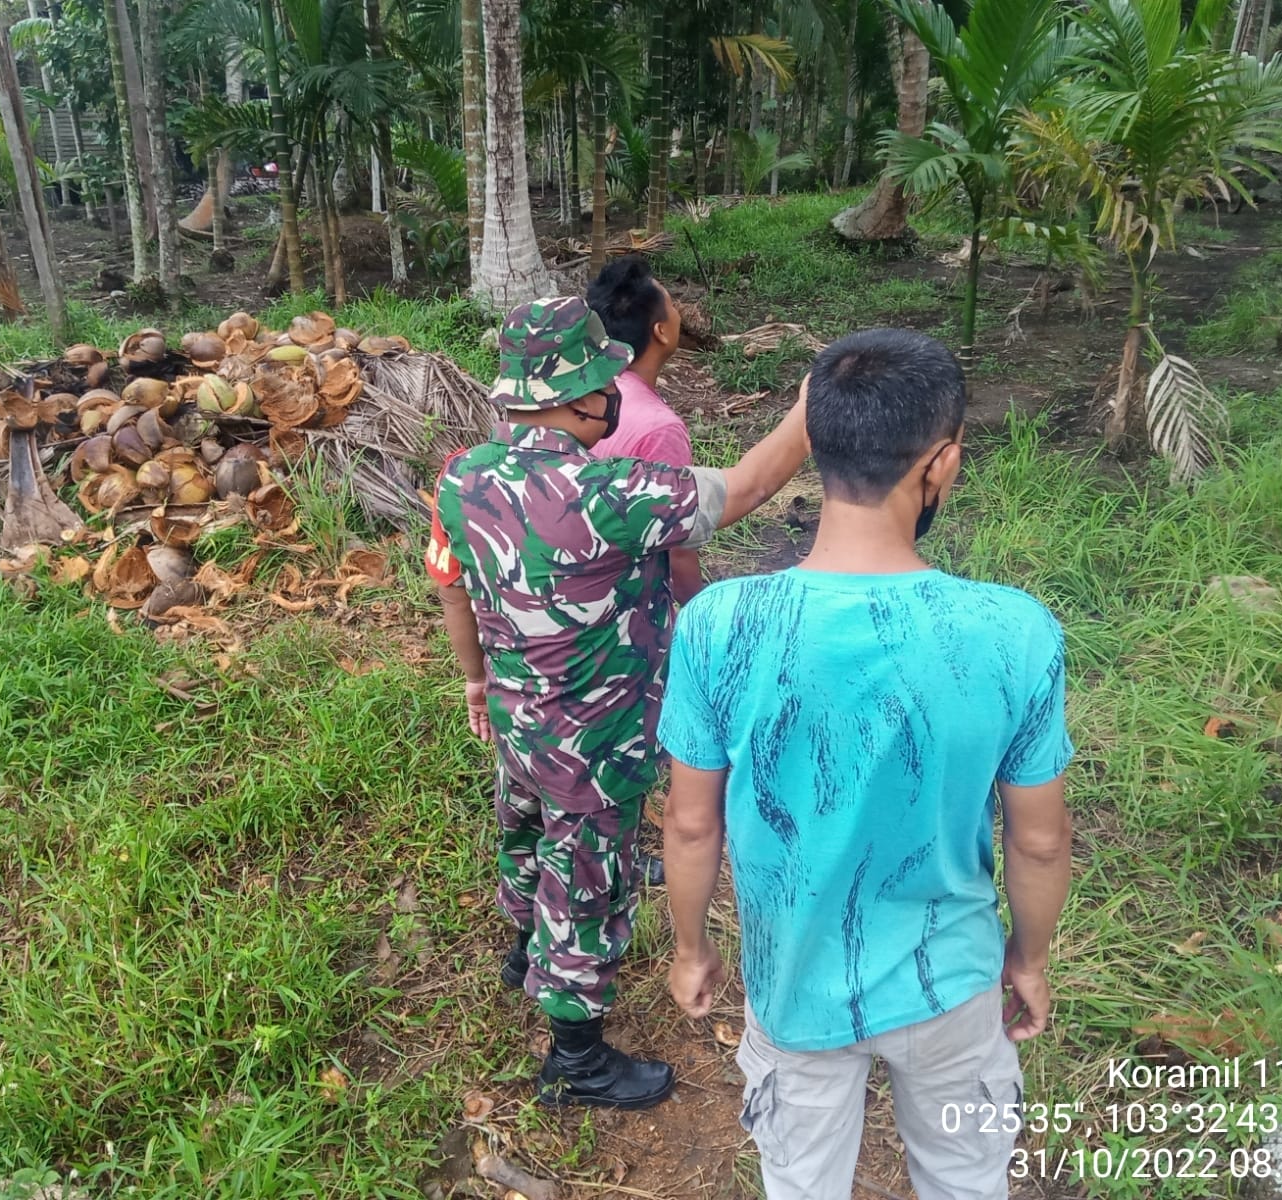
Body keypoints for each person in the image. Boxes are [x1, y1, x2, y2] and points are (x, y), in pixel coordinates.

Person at [658, 328, 1074, 1198]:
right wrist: (1028, 962)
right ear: (943, 465)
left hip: (793, 987)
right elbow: (1038, 843)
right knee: (968, 1182)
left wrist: (690, 948)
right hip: (953, 984)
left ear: (817, 445)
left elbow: (692, 820)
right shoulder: (1013, 629)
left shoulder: (721, 626)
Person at [426, 296, 811, 1110]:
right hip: (594, 736)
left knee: (522, 826)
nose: (614, 395)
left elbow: (453, 590)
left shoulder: (463, 476)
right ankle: (576, 1057)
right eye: (604, 382)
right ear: (576, 398)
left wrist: (474, 680)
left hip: (517, 715)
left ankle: (519, 946)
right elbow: (740, 490)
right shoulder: (610, 491)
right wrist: (809, 414)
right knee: (588, 877)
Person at [586, 256, 703, 604]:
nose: (678, 313)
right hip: (623, 613)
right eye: (671, 305)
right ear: (661, 331)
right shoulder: (659, 429)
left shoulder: (586, 400)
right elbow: (676, 548)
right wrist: (704, 613)